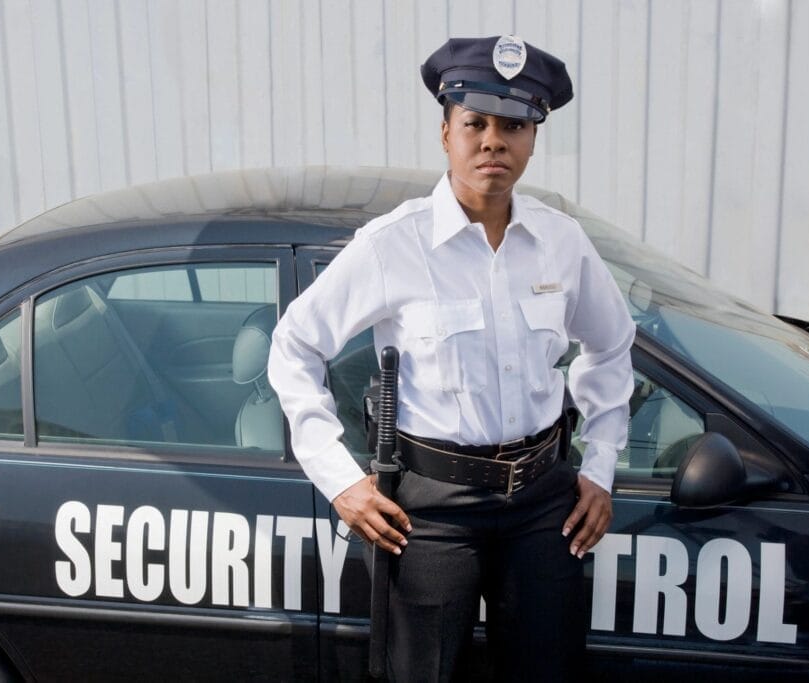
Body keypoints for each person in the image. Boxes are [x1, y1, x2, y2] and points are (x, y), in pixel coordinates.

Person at [268, 35, 635, 682]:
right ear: (446, 133)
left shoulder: (560, 242)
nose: (494, 140)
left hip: (543, 502)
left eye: (514, 125)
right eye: (476, 124)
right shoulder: (392, 245)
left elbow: (611, 344)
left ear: (532, 139)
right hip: (432, 509)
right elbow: (295, 345)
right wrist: (341, 479)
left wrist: (600, 464)